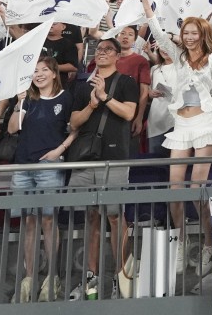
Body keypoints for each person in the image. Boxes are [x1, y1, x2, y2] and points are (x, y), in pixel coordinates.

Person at [140, 0, 212, 275]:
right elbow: (159, 35)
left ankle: (209, 247)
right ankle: (180, 241)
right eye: (185, 32)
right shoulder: (177, 58)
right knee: (175, 188)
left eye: (193, 33)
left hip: (205, 124)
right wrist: (147, 6)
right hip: (182, 126)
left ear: (202, 34)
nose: (188, 37)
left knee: (196, 190)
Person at [67, 37, 138, 301]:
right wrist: (92, 104)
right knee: (91, 217)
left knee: (115, 216)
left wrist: (105, 97)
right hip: (86, 158)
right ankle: (90, 277)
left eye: (108, 49)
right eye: (99, 50)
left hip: (115, 155)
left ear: (118, 55)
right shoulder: (82, 85)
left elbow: (129, 114)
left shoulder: (127, 82)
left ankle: (122, 276)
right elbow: (74, 121)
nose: (103, 53)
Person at [8, 56, 75, 303]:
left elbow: (76, 127)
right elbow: (12, 129)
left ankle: (52, 277)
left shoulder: (65, 98)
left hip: (49, 165)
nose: (39, 74)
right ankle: (29, 278)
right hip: (24, 164)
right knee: (29, 221)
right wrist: (18, 103)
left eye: (44, 70)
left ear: (54, 73)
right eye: (35, 71)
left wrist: (61, 150)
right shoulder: (28, 99)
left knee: (48, 219)